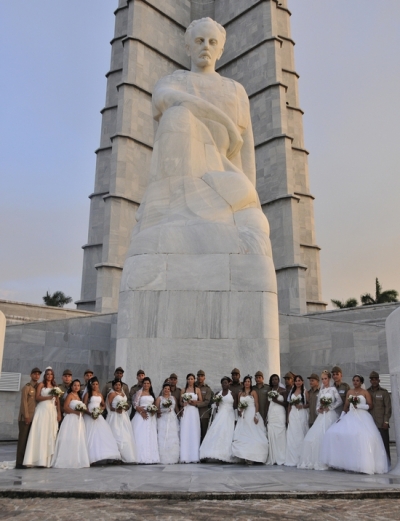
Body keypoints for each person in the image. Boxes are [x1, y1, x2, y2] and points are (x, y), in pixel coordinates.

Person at [320, 374, 388, 474]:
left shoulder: (365, 392)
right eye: (354, 380)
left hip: (362, 416)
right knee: (333, 432)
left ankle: (363, 464)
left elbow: (370, 405)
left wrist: (360, 406)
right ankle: (342, 462)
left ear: (361, 382)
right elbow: (346, 406)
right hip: (350, 415)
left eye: (357, 380)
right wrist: (341, 417)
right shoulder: (350, 392)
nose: (355, 382)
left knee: (363, 437)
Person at [298, 370, 342, 471]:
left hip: (330, 415)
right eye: (322, 379)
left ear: (329, 379)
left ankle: (330, 460)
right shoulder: (321, 391)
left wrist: (330, 407)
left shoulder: (333, 389)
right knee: (312, 437)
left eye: (325, 379)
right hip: (322, 415)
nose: (324, 381)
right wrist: (319, 409)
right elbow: (318, 404)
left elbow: (339, 401)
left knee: (327, 436)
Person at [23, 367, 61, 467]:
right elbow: (37, 397)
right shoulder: (41, 385)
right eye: (48, 374)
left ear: (53, 376)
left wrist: (59, 413)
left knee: (49, 433)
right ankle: (37, 459)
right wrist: (49, 397)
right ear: (45, 375)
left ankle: (47, 460)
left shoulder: (55, 387)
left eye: (51, 374)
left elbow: (57, 401)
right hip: (42, 410)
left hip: (51, 411)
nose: (49, 376)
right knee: (41, 432)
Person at [51, 379, 90, 468]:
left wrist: (81, 411)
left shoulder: (79, 397)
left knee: (77, 438)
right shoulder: (70, 395)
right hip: (71, 419)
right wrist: (75, 412)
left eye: (78, 385)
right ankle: (67, 459)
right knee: (69, 437)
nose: (76, 387)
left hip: (78, 420)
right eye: (75, 385)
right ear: (71, 386)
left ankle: (76, 459)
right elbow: (65, 408)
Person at [83, 376, 121, 465]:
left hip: (98, 416)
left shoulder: (100, 394)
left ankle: (105, 455)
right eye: (93, 384)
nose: (95, 386)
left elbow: (103, 405)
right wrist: (90, 413)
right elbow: (84, 406)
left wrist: (100, 410)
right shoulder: (88, 394)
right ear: (90, 385)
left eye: (96, 384)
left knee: (102, 435)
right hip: (89, 415)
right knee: (91, 435)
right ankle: (91, 457)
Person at [232, 375, 269, 464]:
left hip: (252, 414)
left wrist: (256, 415)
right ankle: (244, 455)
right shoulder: (240, 393)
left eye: (248, 382)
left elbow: (257, 404)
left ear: (251, 383)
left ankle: (253, 457)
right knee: (243, 435)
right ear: (243, 383)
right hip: (243, 417)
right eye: (245, 381)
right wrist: (240, 410)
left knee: (254, 435)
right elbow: (239, 405)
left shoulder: (253, 392)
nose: (247, 383)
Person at [200, 376, 237, 462]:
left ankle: (225, 454)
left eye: (226, 383)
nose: (224, 384)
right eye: (223, 383)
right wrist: (215, 404)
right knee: (216, 432)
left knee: (227, 433)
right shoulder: (217, 394)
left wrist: (236, 418)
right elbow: (214, 405)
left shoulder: (232, 394)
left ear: (229, 384)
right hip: (220, 415)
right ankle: (211, 453)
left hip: (229, 416)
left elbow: (235, 407)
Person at [16, 367, 41, 469]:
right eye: (34, 374)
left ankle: (26, 461)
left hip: (35, 418)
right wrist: (26, 416)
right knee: (22, 440)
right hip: (25, 418)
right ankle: (19, 463)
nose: (36, 376)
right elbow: (24, 404)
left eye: (38, 374)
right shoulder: (27, 387)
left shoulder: (38, 387)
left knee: (29, 441)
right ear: (31, 375)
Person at [106, 378, 136, 463]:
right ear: (113, 386)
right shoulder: (111, 394)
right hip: (115, 417)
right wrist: (117, 409)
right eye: (116, 385)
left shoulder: (123, 393)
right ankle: (115, 457)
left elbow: (126, 404)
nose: (117, 386)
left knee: (126, 435)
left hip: (123, 416)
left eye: (119, 385)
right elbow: (110, 406)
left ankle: (125, 456)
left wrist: (124, 407)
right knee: (115, 435)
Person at [132, 376, 160, 464]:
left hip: (150, 417)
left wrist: (153, 411)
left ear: (150, 384)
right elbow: (135, 405)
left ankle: (151, 457)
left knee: (151, 435)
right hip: (141, 415)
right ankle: (141, 457)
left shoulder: (151, 394)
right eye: (144, 383)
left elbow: (154, 405)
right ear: (142, 384)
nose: (146, 385)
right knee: (141, 435)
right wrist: (141, 412)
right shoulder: (139, 392)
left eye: (148, 383)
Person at [284, 375, 309, 467]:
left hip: (301, 413)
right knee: (292, 435)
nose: (297, 382)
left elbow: (308, 404)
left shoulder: (305, 392)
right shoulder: (292, 392)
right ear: (294, 382)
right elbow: (289, 405)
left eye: (299, 380)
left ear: (302, 382)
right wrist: (288, 417)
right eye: (296, 381)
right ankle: (292, 458)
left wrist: (301, 406)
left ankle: (301, 457)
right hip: (293, 414)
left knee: (300, 434)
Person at [367, 371, 392, 462]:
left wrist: (386, 421)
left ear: (379, 380)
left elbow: (388, 408)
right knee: (373, 446)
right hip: (371, 424)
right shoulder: (367, 392)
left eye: (376, 379)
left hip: (382, 423)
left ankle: (388, 463)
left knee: (384, 445)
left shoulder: (384, 392)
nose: (374, 381)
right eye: (372, 379)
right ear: (370, 381)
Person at [180, 373, 202, 463]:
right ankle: (185, 456)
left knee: (194, 431)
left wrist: (195, 402)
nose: (190, 380)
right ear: (186, 380)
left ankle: (194, 456)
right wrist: (183, 403)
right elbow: (180, 402)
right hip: (186, 411)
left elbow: (201, 400)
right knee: (185, 431)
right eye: (188, 379)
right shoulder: (183, 390)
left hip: (194, 411)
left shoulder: (197, 390)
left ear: (194, 380)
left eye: (192, 379)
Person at [155, 382, 180, 464]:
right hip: (162, 418)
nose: (166, 390)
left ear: (170, 390)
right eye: (165, 388)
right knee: (162, 435)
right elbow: (156, 409)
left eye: (168, 389)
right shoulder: (159, 398)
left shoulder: (173, 398)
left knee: (172, 436)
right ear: (163, 389)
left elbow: (176, 408)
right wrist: (164, 410)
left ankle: (173, 456)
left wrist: (180, 416)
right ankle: (162, 456)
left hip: (172, 419)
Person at [266, 374, 287, 465]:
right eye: (273, 379)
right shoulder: (269, 391)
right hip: (271, 413)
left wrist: (276, 401)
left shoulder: (283, 391)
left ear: (278, 380)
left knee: (280, 434)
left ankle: (281, 456)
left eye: (276, 379)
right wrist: (266, 416)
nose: (274, 381)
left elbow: (286, 404)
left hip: (280, 413)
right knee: (272, 434)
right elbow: (267, 404)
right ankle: (273, 457)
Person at [195, 370, 213, 442]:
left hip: (203, 414)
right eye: (198, 376)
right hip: (193, 414)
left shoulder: (207, 389)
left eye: (201, 376)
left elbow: (207, 402)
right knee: (194, 432)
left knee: (203, 433)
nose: (200, 378)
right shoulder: (192, 387)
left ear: (204, 378)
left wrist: (196, 404)